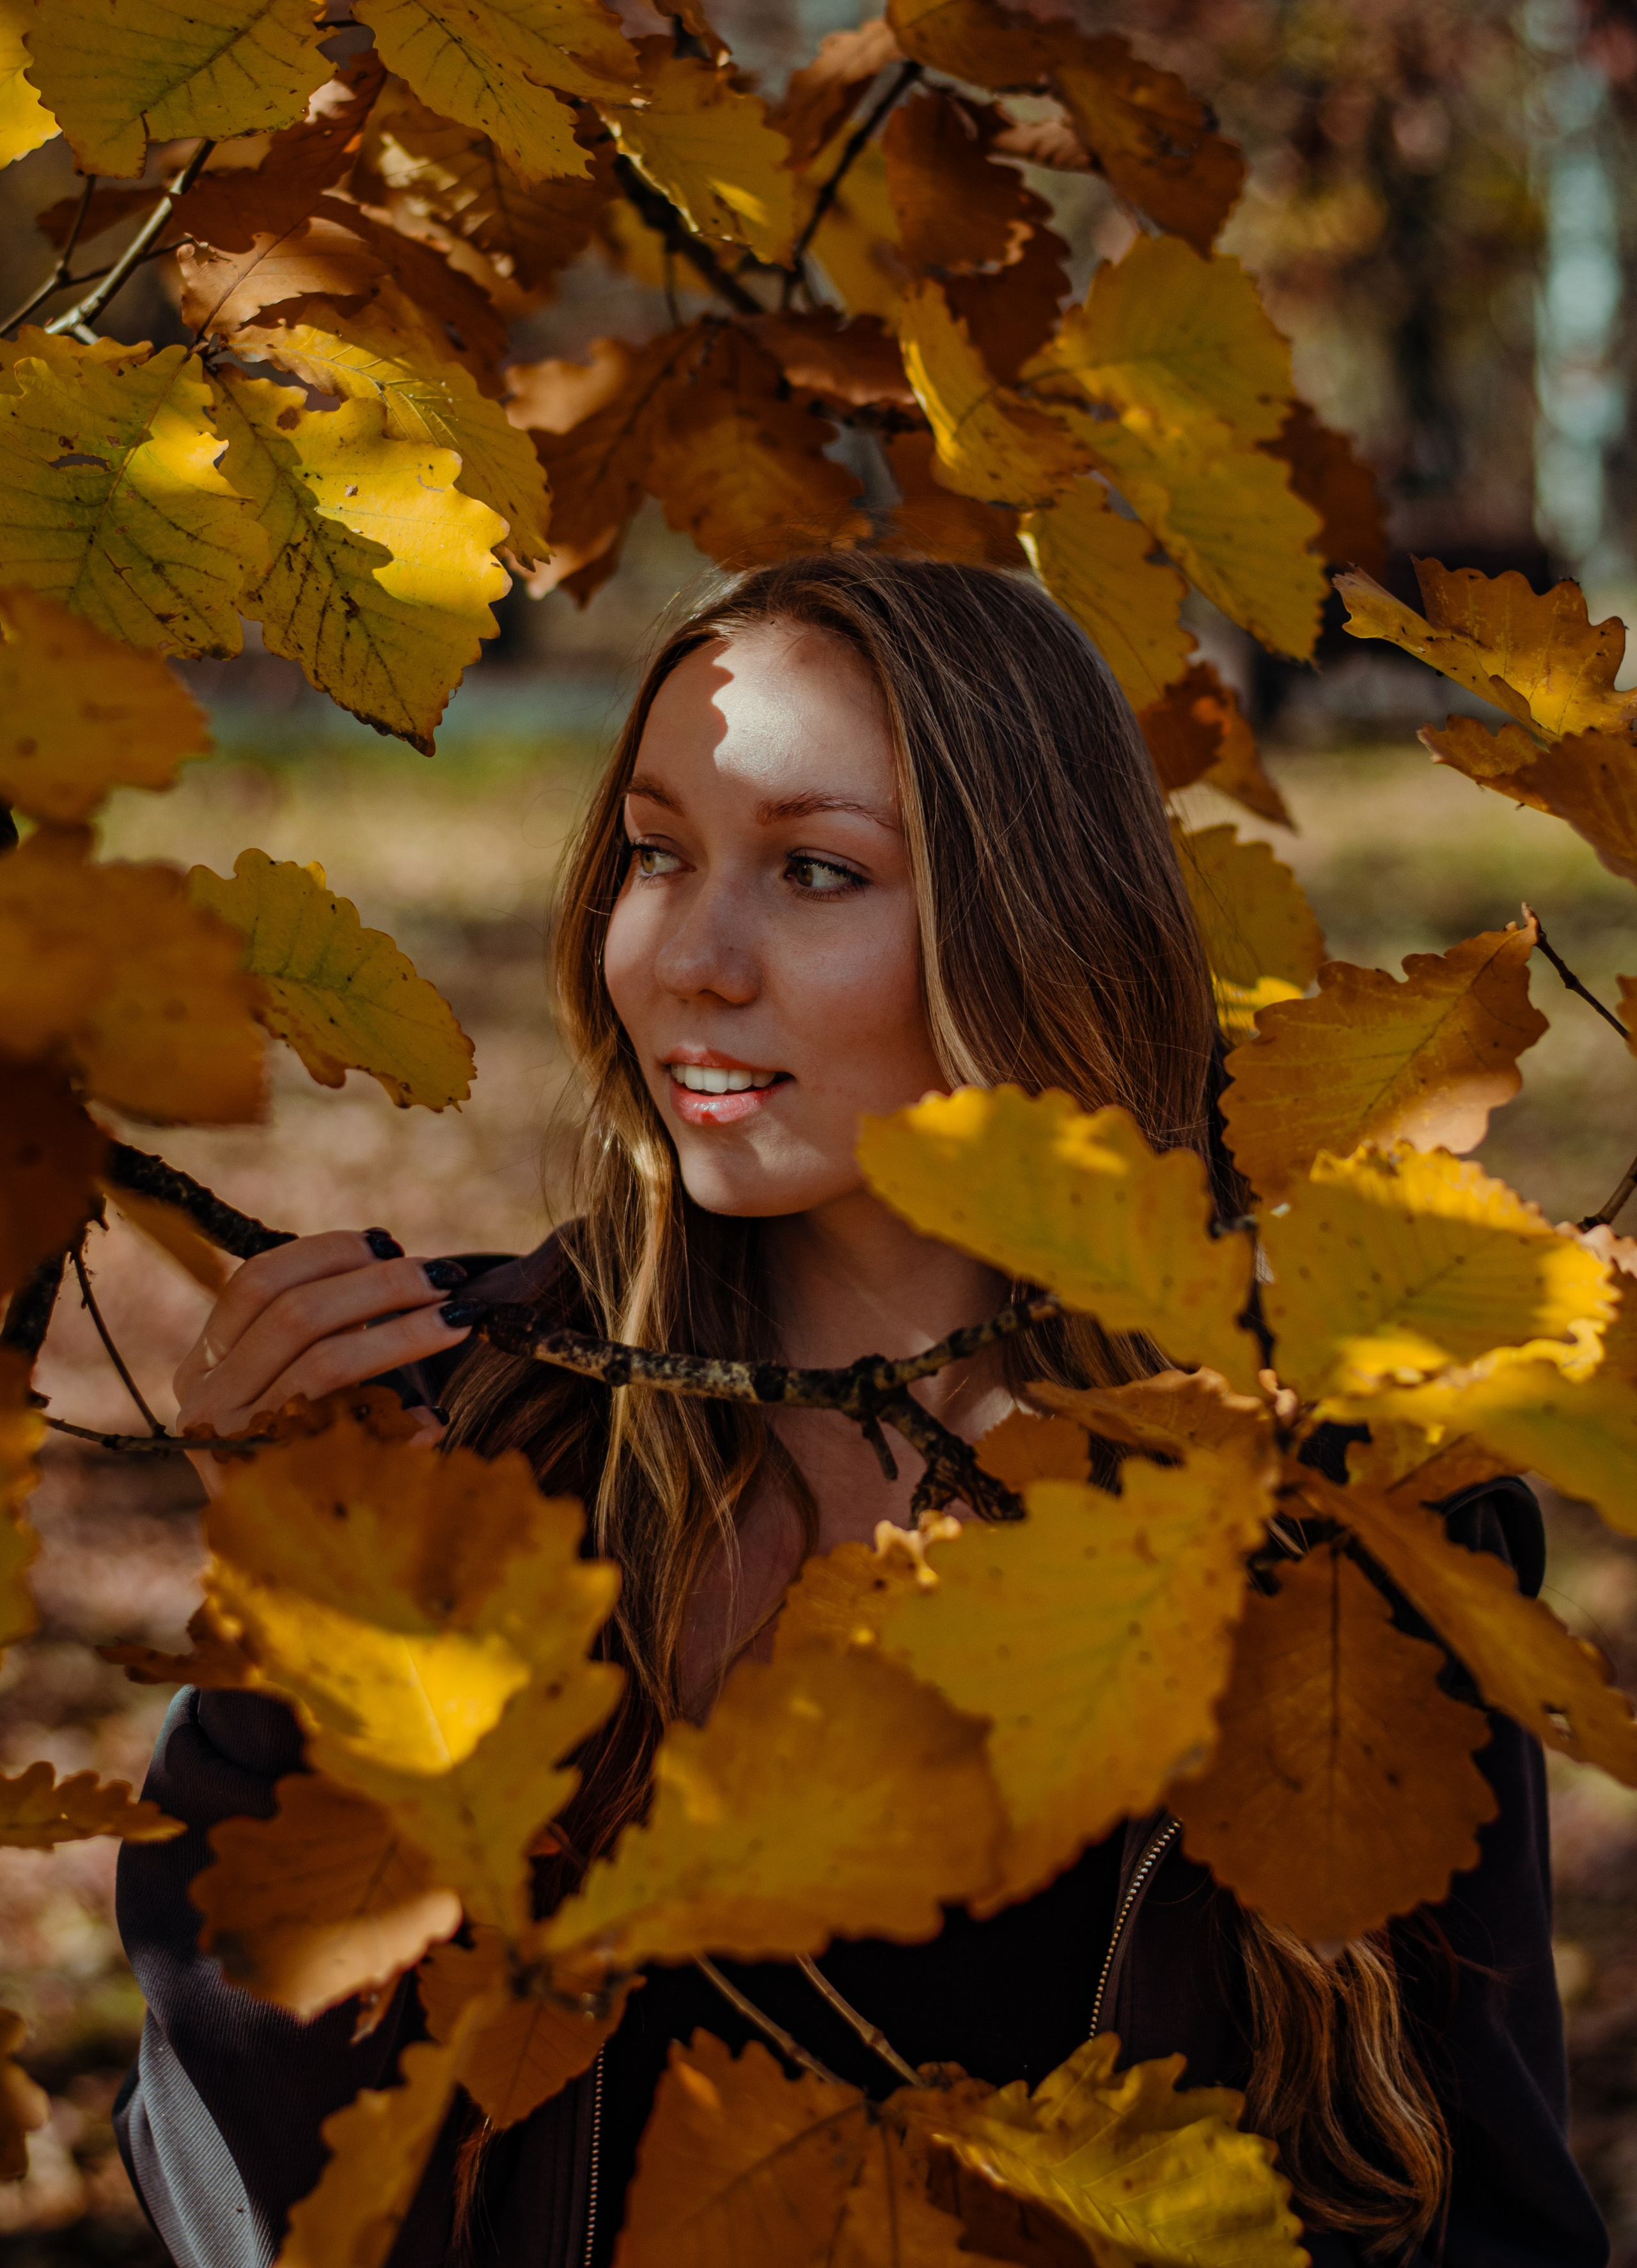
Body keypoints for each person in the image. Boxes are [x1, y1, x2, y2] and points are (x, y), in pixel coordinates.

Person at [114, 554, 1606, 2268]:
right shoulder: (476, 1419)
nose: (690, 956)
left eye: (816, 870)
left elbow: (1471, 2217)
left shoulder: (1328, 1522)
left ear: (1029, 928)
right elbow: (255, 2192)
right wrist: (291, 1616)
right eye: (658, 853)